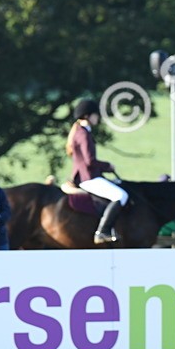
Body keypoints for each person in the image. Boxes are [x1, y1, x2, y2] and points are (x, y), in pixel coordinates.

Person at [67, 98, 128, 243]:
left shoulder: (81, 132)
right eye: (96, 115)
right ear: (87, 116)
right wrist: (108, 166)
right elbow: (90, 161)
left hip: (88, 176)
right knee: (121, 196)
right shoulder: (83, 134)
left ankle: (111, 229)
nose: (98, 118)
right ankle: (102, 231)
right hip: (88, 178)